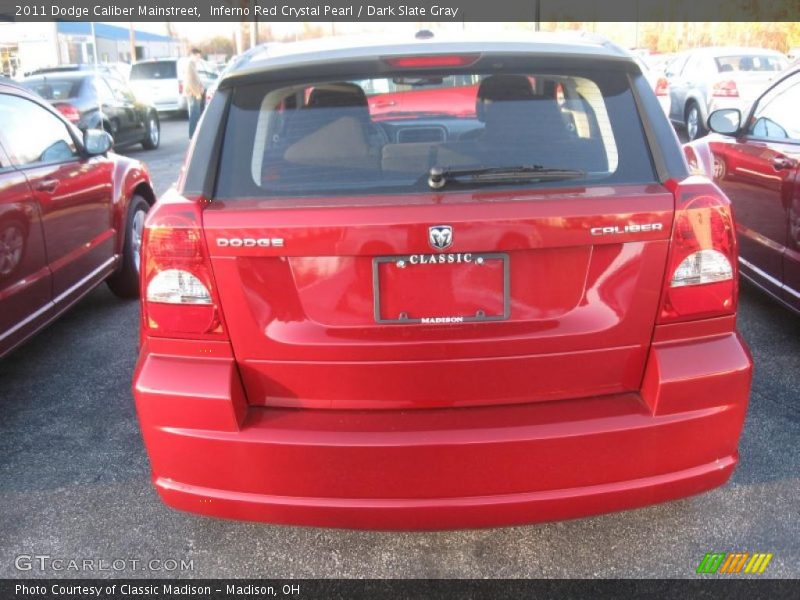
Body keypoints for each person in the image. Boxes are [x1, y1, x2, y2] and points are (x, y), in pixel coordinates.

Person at [184, 48, 205, 138]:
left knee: (196, 115)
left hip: (196, 94)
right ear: (192, 55)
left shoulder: (193, 65)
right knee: (194, 115)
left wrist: (201, 86)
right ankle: (192, 136)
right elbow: (190, 82)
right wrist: (197, 93)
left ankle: (195, 135)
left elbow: (196, 80)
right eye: (197, 56)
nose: (198, 59)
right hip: (193, 95)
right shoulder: (189, 65)